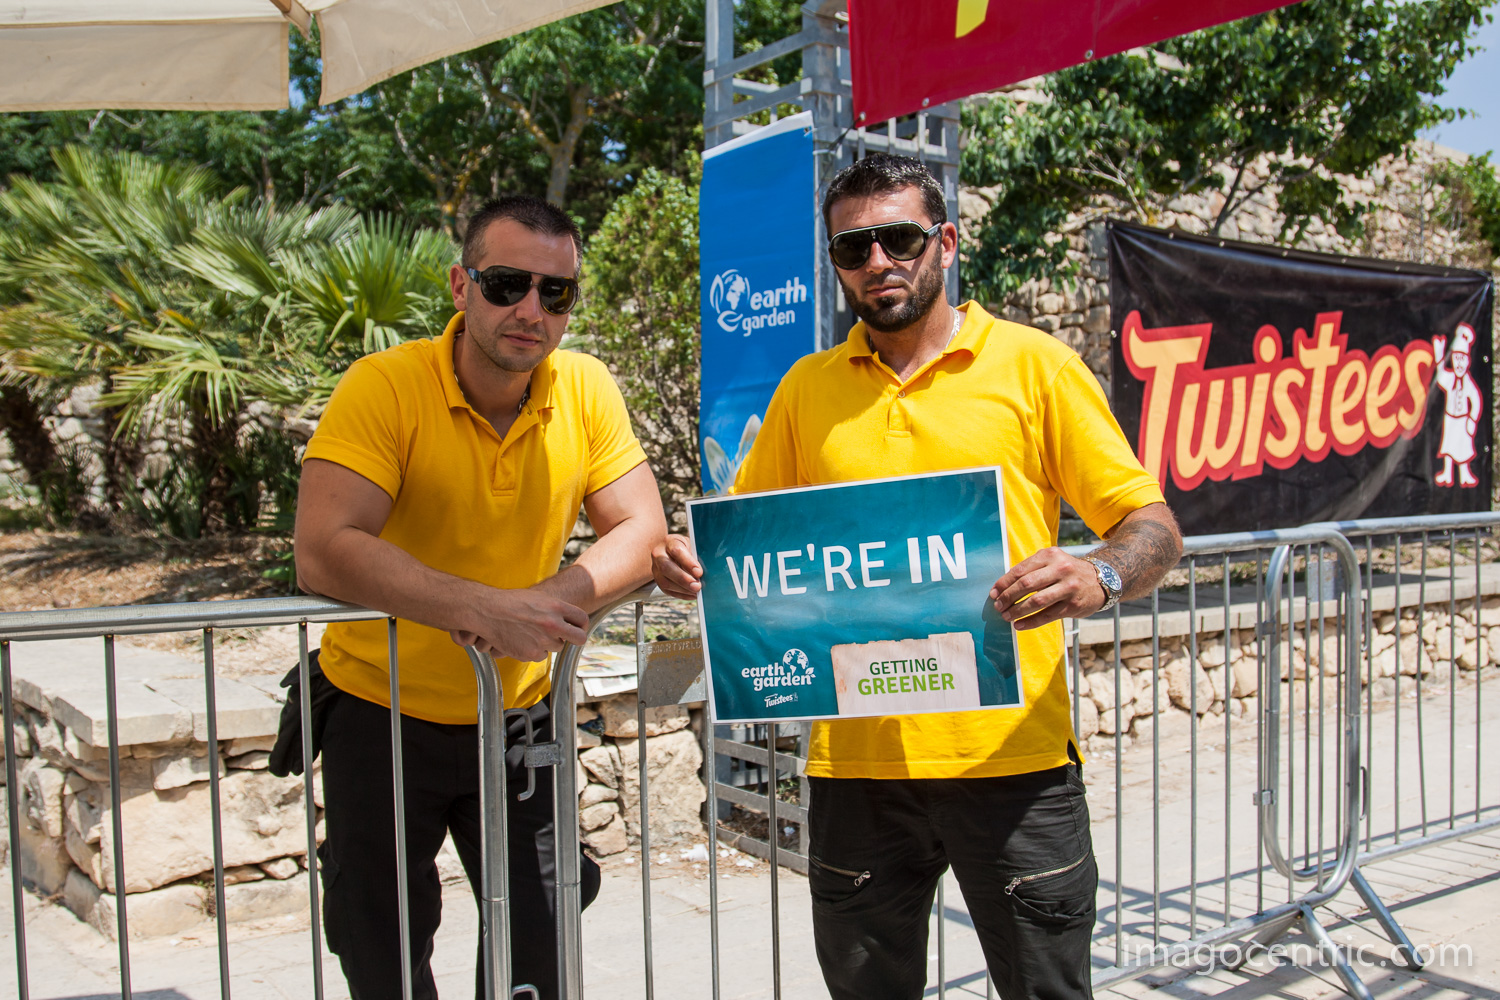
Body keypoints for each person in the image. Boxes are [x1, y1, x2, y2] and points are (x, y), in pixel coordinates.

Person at [653, 153, 1181, 1000]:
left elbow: (1151, 526)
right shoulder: (806, 391)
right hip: (855, 771)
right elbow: (748, 545)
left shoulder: (1035, 368)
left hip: (1012, 762)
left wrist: (1101, 575)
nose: (877, 262)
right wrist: (691, 562)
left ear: (947, 241)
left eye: (899, 239)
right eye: (851, 248)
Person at [292, 194, 667, 1000]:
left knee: (541, 937)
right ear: (461, 287)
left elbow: (643, 527)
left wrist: (543, 600)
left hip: (517, 717)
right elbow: (322, 550)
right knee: (381, 949)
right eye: (506, 284)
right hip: (380, 713)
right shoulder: (385, 385)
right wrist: (482, 608)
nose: (531, 310)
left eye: (555, 292)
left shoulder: (586, 386)